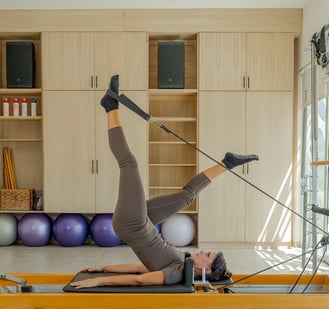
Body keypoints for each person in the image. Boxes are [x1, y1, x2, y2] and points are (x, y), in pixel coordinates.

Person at [71, 75, 258, 289]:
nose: (201, 251)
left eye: (206, 254)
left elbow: (140, 279)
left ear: (206, 270)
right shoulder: (183, 262)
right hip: (145, 221)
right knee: (187, 195)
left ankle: (110, 106)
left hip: (133, 224)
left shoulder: (177, 273)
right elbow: (139, 267)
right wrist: (104, 267)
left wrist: (99, 280)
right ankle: (227, 163)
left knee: (128, 163)